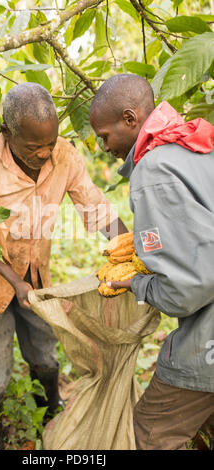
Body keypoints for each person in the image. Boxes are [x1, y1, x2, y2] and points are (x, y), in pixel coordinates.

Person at [0, 82, 127, 450]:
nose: (44, 153)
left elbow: (94, 205)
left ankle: (49, 408)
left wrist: (129, 249)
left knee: (44, 350)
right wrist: (11, 280)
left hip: (36, 278)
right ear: (7, 134)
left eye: (49, 143)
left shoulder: (63, 155)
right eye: (34, 146)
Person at [89, 73, 214, 450]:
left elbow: (187, 288)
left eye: (104, 135)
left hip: (206, 343)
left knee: (146, 434)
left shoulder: (154, 171)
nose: (103, 146)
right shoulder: (194, 144)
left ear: (130, 119)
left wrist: (136, 283)